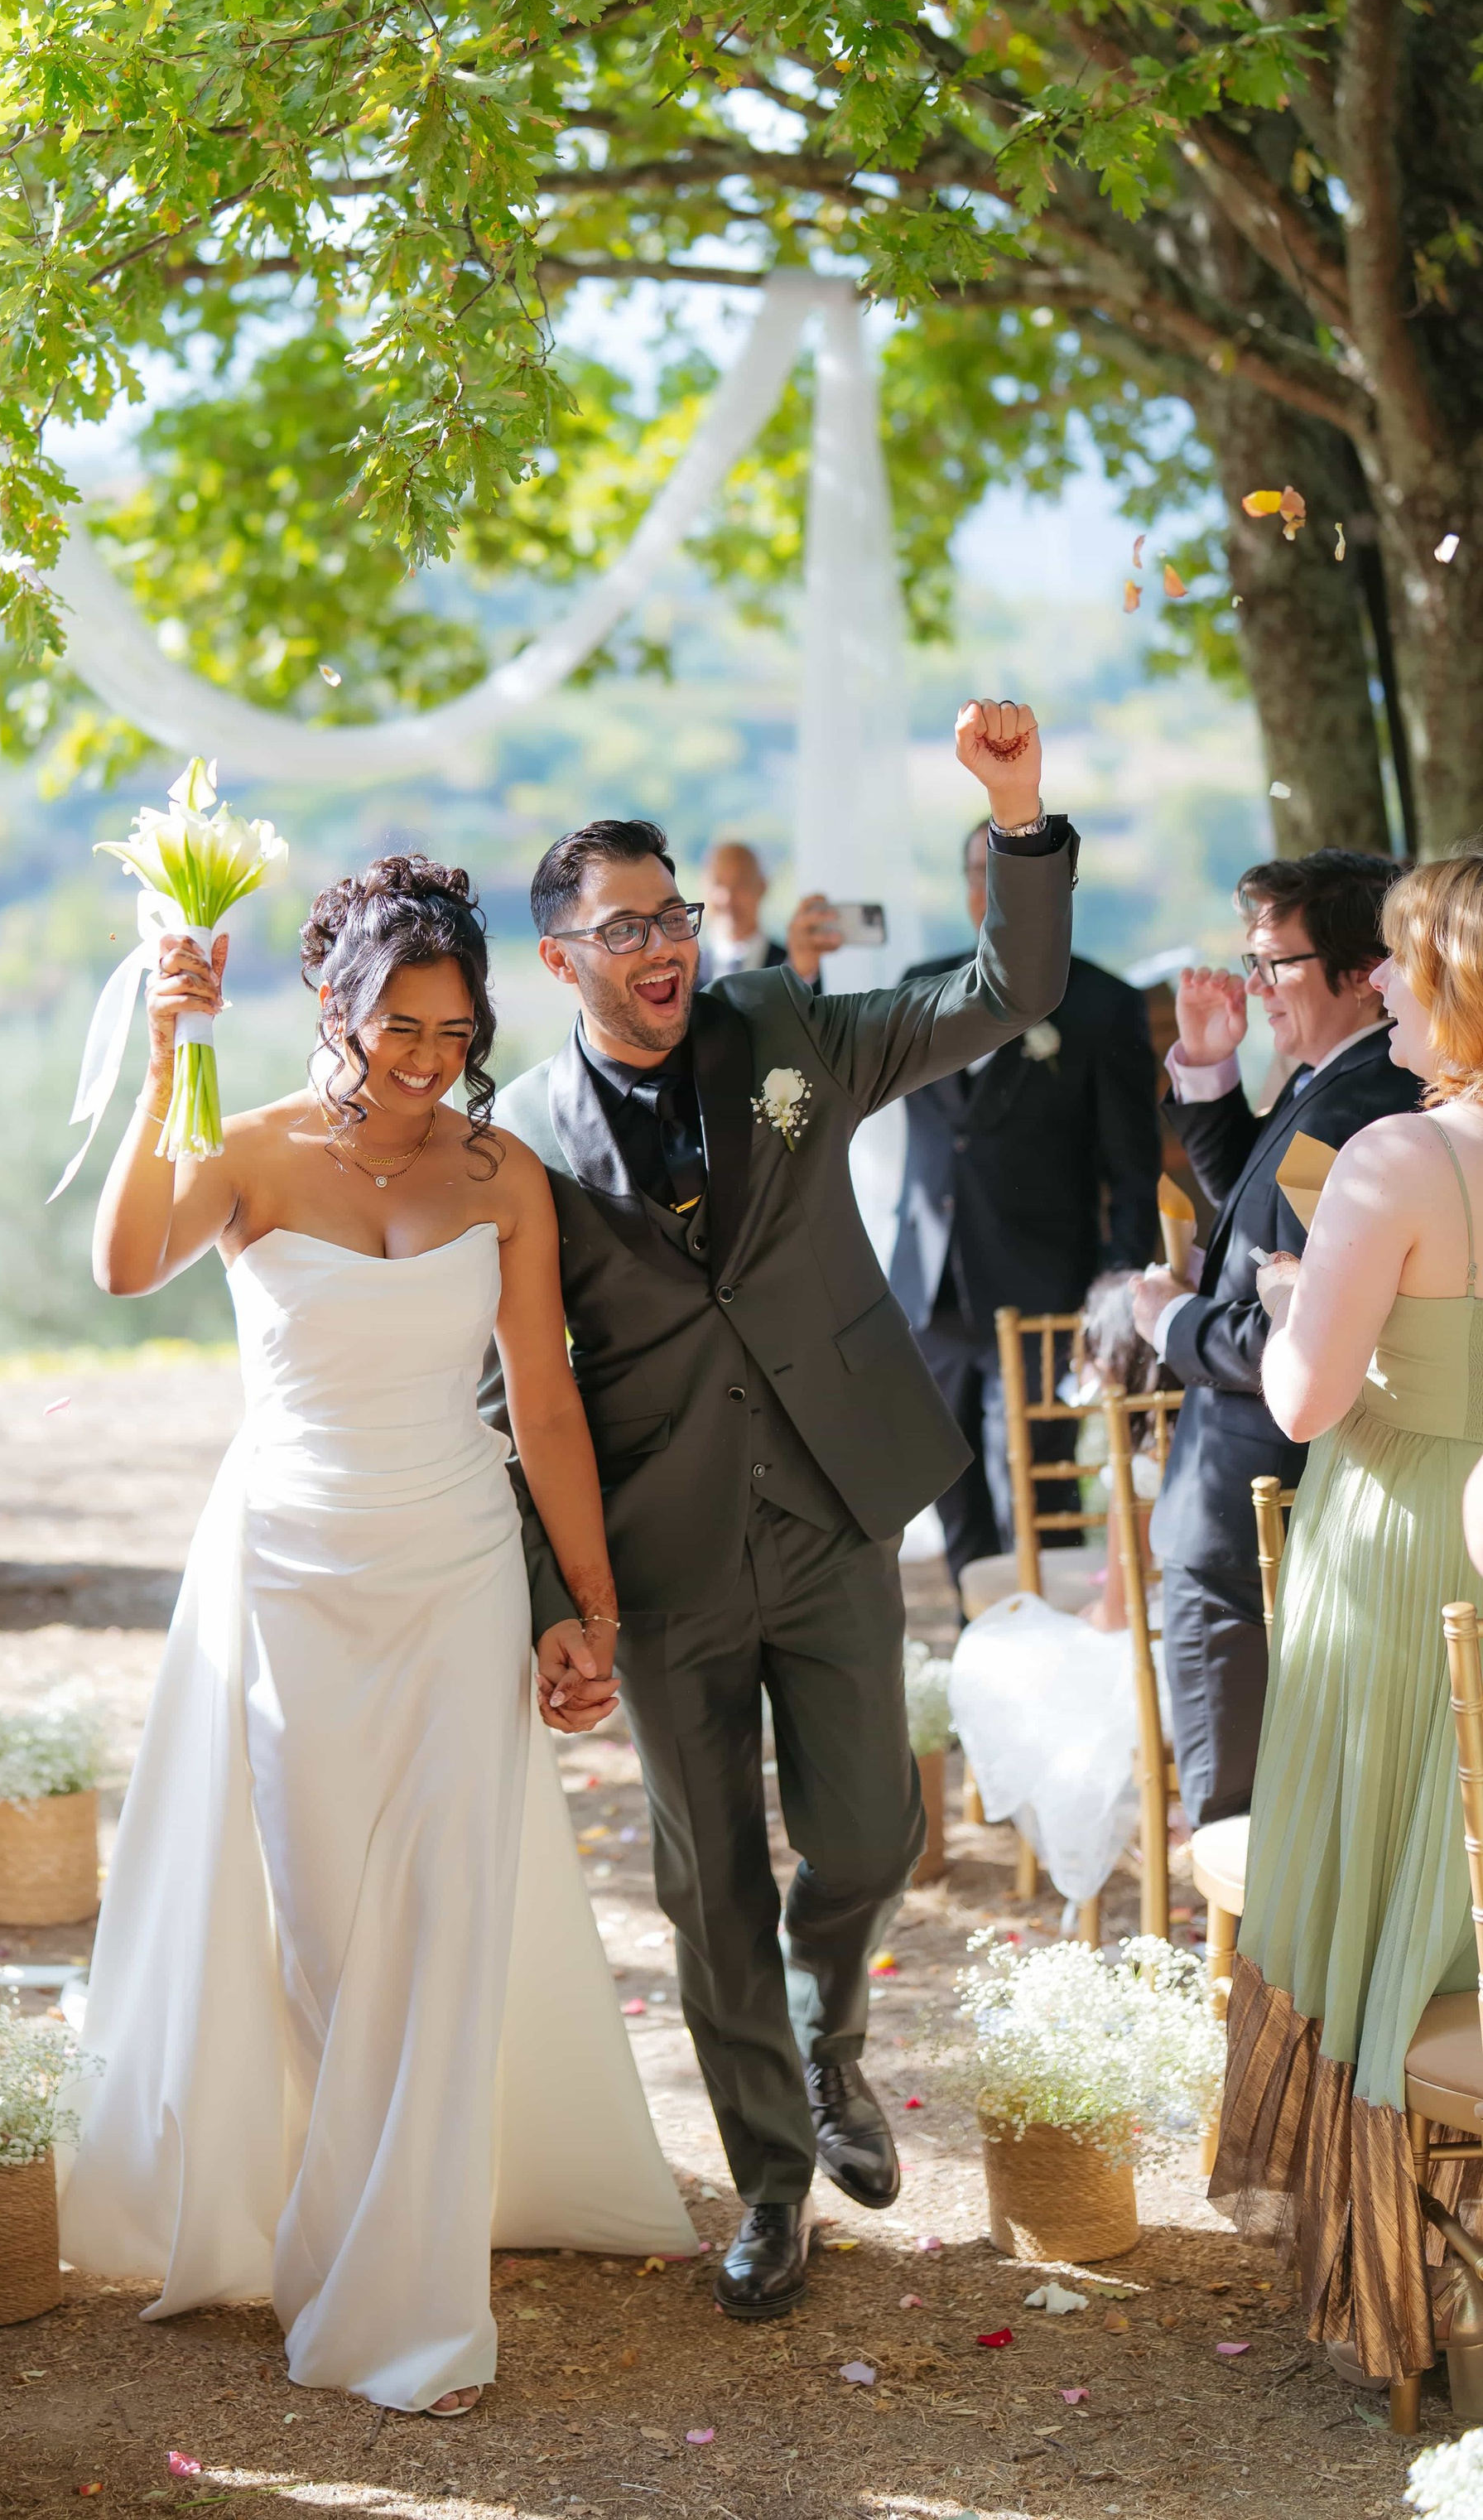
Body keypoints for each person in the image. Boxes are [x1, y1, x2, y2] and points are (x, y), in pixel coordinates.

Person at [59, 856, 693, 2417]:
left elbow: (541, 1402)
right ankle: (313, 2213)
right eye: (395, 1025)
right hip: (292, 1572)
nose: (424, 1059)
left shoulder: (500, 1176)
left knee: (445, 1913)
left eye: (453, 1029)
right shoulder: (250, 1150)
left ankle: (402, 2294)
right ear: (329, 1008)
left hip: (462, 1568)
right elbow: (123, 1261)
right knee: (332, 1925)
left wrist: (587, 1609)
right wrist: (166, 1065)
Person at [490, 700, 1075, 2323]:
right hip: (658, 1559)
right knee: (707, 1879)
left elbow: (1003, 988)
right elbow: (506, 1391)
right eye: (626, 927)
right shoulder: (516, 1144)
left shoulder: (786, 1036)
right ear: (560, 960)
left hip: (829, 1509)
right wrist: (556, 1592)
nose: (663, 944)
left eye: (671, 914)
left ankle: (831, 2037)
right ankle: (765, 2185)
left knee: (866, 1827)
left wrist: (1014, 811)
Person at [1209, 854, 1483, 2396]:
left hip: (1403, 1542)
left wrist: (1320, 1291)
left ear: (1452, 985)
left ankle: (1400, 2272)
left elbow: (1305, 1397)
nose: (1381, 987)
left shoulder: (1397, 1157)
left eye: (1399, 963)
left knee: (1387, 1879)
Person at [1133, 850, 1419, 1826]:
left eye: (1272, 965)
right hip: (1263, 1493)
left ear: (1356, 969)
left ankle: (1241, 1977)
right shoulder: (1334, 1081)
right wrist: (1210, 1069)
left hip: (1257, 1493)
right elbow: (1263, 1234)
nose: (1254, 988)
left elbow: (1284, 1329)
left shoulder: (1361, 1103)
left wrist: (1163, 1318)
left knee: (1239, 1804)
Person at [892, 820, 1161, 1595]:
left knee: (1041, 1488)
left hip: (1043, 1289)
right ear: (967, 884)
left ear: (1055, 890)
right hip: (931, 1291)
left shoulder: (1104, 1006)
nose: (994, 889)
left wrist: (1115, 1291)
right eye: (981, 871)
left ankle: (1054, 1639)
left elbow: (1133, 1172)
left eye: (1011, 876)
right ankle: (987, 1648)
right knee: (948, 1484)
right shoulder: (921, 985)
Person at [701, 840, 841, 985]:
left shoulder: (800, 967)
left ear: (763, 887)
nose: (727, 898)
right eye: (718, 883)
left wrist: (800, 974)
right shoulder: (687, 971)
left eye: (741, 883)